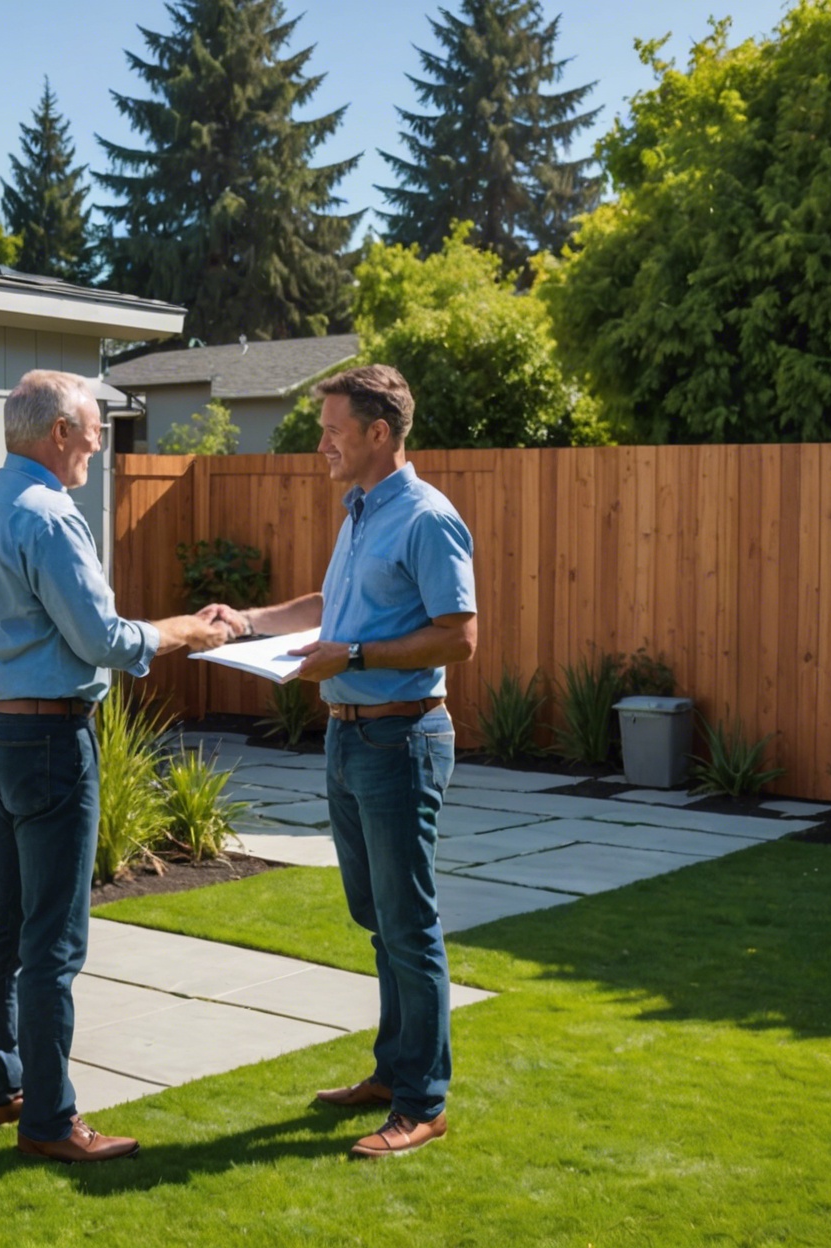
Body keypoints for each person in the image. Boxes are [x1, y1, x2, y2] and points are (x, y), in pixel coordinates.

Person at [0, 369, 230, 1164]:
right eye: (94, 426)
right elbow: (103, 641)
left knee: (0, 923)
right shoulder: (49, 517)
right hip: (45, 743)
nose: (102, 440)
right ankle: (50, 1121)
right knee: (54, 943)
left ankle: (1, 1087)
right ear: (59, 433)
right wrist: (187, 630)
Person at [201, 364, 476, 1159]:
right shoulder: (360, 512)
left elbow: (459, 635)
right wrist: (249, 620)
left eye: (332, 431)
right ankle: (394, 1071)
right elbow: (331, 607)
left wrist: (353, 652)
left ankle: (424, 1102)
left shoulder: (427, 518)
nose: (320, 444)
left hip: (402, 739)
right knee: (376, 918)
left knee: (409, 924)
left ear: (379, 434)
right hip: (348, 737)